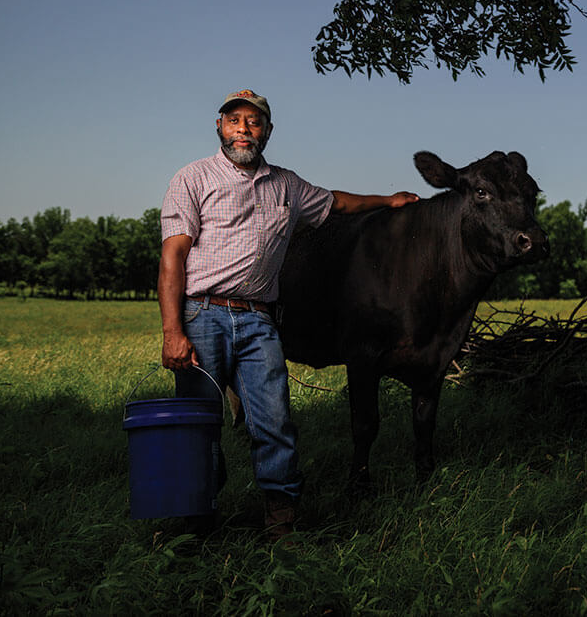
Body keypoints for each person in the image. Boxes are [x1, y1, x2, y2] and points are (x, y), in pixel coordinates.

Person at [158, 89, 418, 539]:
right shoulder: (193, 178)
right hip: (204, 315)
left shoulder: (287, 185)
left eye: (254, 122)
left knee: (274, 421)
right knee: (201, 422)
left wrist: (387, 200)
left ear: (268, 131)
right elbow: (172, 257)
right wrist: (172, 331)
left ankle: (281, 522)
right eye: (234, 119)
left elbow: (338, 202)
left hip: (260, 320)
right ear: (219, 127)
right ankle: (195, 523)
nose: (244, 128)